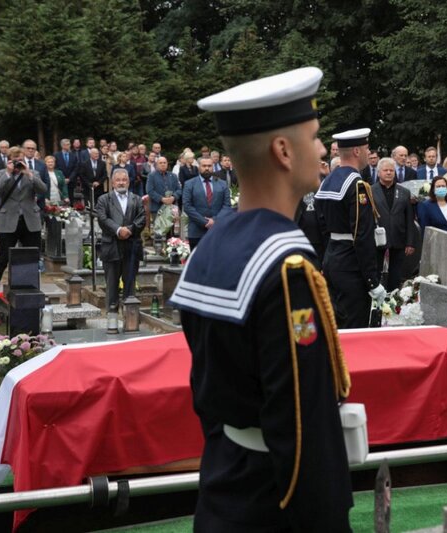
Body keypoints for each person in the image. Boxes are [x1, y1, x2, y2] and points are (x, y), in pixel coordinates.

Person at [169, 67, 353, 532]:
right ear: (283, 151)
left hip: (225, 486)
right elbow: (301, 423)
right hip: (273, 507)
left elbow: (205, 388)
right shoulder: (288, 266)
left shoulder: (213, 244)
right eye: (314, 138)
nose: (322, 151)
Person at [315, 127, 385, 329]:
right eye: (366, 148)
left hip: (332, 260)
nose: (368, 152)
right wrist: (372, 280)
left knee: (336, 325)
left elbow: (321, 227)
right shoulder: (356, 185)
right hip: (351, 265)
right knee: (355, 328)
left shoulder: (327, 182)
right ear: (356, 151)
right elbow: (361, 236)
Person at [0, 147, 47, 285]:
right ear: (8, 161)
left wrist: (28, 174)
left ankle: (30, 286)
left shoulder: (33, 173)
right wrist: (8, 174)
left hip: (30, 220)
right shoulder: (0, 174)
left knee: (32, 256)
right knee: (3, 257)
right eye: (15, 161)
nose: (18, 164)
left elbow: (43, 189)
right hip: (9, 220)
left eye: (20, 160)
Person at [95, 169, 146, 313]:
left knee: (130, 283)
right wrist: (118, 230)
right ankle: (112, 316)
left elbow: (142, 219)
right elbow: (102, 219)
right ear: (112, 182)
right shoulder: (104, 199)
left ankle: (130, 316)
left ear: (129, 182)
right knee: (112, 284)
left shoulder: (136, 199)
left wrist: (129, 230)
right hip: (111, 246)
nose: (121, 182)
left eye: (124, 179)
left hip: (131, 246)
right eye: (118, 180)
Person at [371, 157, 417, 290]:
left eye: (391, 170)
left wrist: (410, 242)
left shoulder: (404, 192)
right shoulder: (370, 191)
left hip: (398, 238)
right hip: (377, 239)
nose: (389, 173)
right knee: (376, 271)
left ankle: (393, 297)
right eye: (385, 170)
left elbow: (409, 218)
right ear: (379, 172)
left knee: (396, 274)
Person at [182, 157, 231, 250]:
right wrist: (205, 222)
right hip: (196, 231)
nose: (207, 168)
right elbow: (187, 206)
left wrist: (214, 220)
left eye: (209, 166)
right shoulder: (189, 184)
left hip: (217, 230)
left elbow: (227, 206)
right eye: (204, 166)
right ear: (199, 167)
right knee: (197, 263)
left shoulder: (222, 184)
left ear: (213, 167)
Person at [146, 155, 182, 222]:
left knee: (172, 231)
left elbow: (179, 189)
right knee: (158, 231)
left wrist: (173, 197)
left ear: (167, 164)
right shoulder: (151, 176)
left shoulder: (173, 176)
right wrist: (161, 199)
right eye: (160, 163)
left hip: (172, 208)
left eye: (164, 163)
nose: (163, 164)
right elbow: (149, 190)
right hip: (157, 208)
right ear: (156, 165)